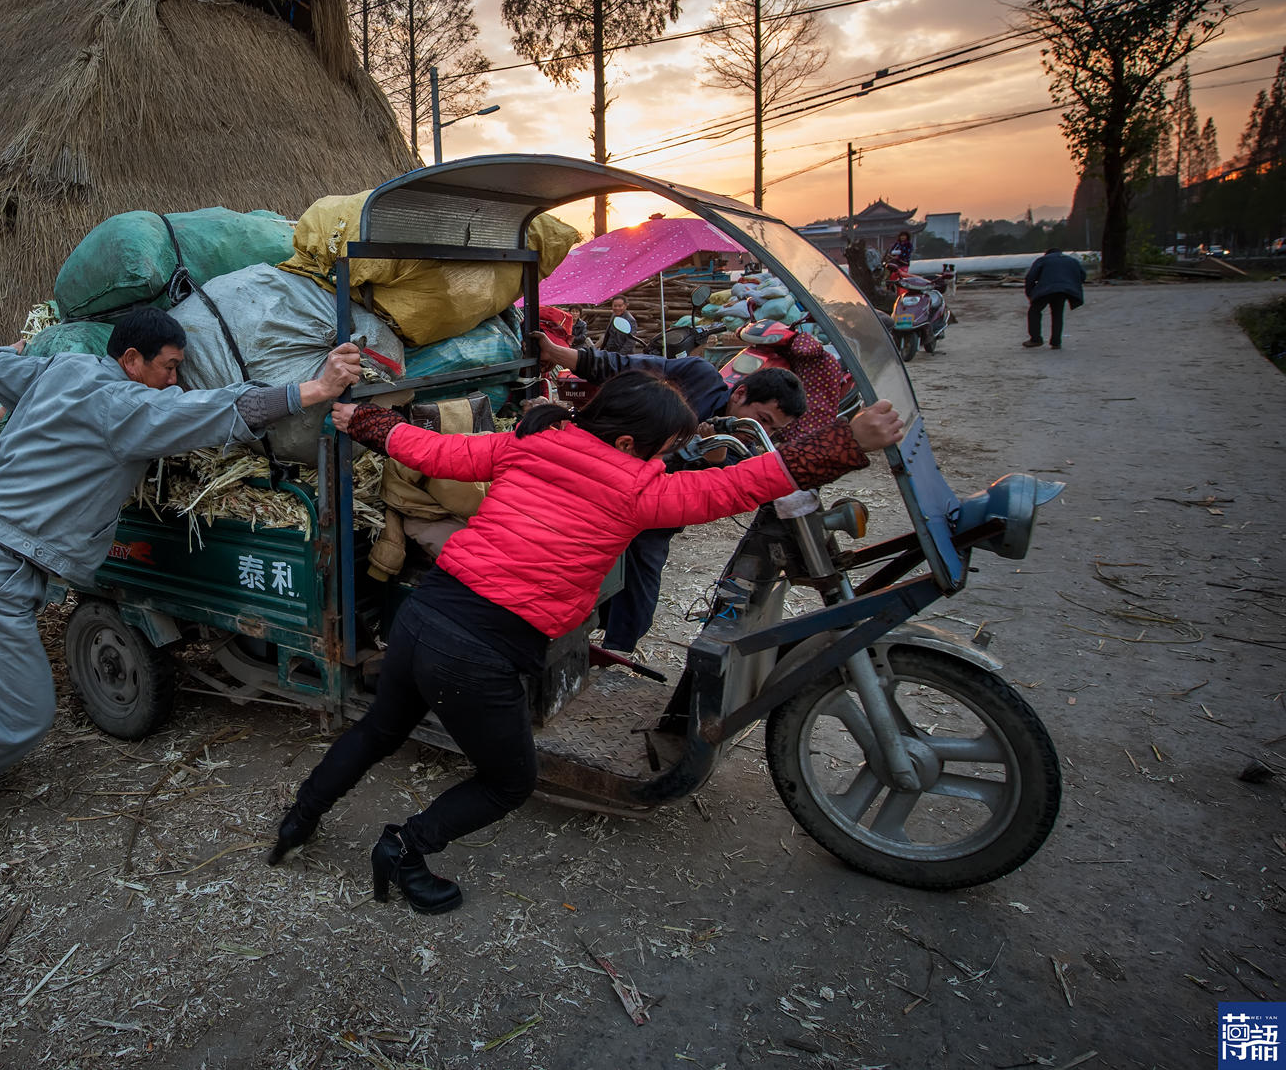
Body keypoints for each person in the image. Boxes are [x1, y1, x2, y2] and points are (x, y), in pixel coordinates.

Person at [271, 376, 905, 912]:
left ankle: (300, 819)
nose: (666, 460)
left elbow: (436, 452)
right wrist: (849, 442)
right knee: (506, 783)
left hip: (425, 616)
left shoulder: (532, 441)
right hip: (478, 651)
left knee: (377, 730)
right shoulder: (639, 491)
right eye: (665, 449)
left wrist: (365, 419)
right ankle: (406, 849)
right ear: (629, 442)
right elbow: (741, 485)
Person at [0, 307, 362, 830]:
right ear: (132, 360)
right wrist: (315, 390)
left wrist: (20, 349)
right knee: (22, 714)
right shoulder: (124, 406)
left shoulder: (65, 366)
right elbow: (213, 409)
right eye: (170, 366)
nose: (175, 379)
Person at [538, 333, 812, 655]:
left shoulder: (742, 446)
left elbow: (706, 493)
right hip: (601, 483)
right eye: (763, 419)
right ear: (739, 394)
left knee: (637, 606)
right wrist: (556, 353)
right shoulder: (699, 377)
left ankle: (610, 656)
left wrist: (715, 460)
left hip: (653, 515)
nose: (763, 432)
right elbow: (626, 367)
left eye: (773, 430)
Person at [1023, 247, 1086, 350]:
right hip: (1063, 291)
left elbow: (1030, 277)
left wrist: (1030, 294)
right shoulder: (1072, 260)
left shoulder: (1043, 260)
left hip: (1045, 289)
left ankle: (1036, 339)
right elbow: (1083, 276)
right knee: (1057, 314)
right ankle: (1056, 342)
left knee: (1034, 311)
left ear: (1046, 253)